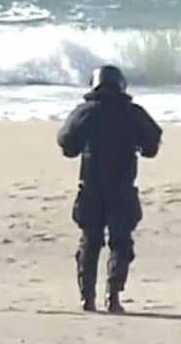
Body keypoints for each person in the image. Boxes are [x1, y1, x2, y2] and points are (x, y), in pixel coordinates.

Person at [57, 65, 162, 314]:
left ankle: (87, 297)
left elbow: (66, 143)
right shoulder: (133, 113)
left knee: (90, 242)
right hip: (122, 189)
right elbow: (152, 144)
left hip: (91, 188)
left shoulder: (85, 112)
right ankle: (113, 295)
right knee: (121, 243)